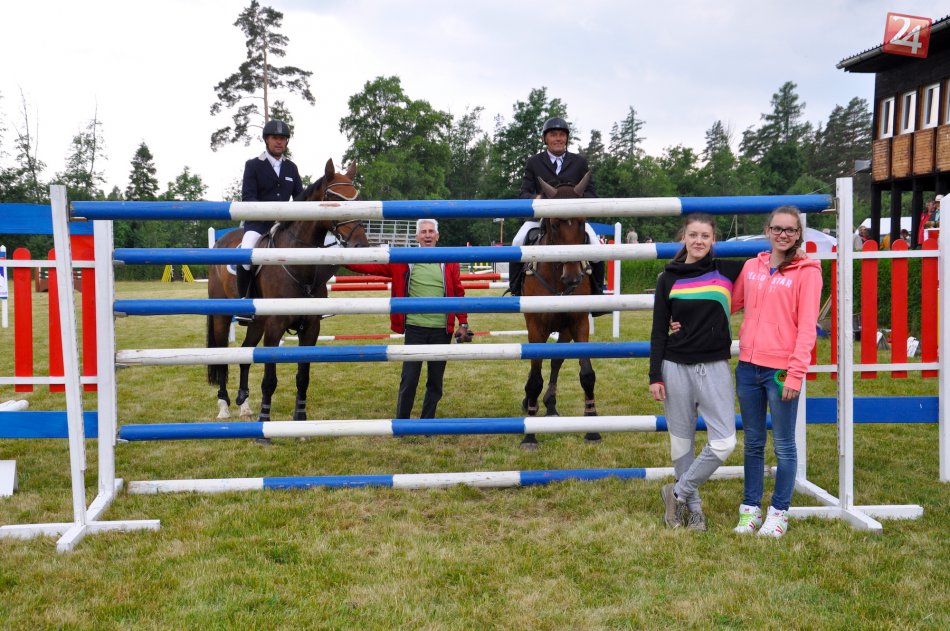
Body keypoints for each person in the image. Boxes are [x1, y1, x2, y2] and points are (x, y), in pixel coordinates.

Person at [731, 206, 822, 538]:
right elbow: (729, 304)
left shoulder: (808, 272)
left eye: (790, 230)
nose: (783, 235)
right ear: (767, 230)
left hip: (781, 371)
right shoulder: (751, 267)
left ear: (798, 235)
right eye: (778, 228)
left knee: (784, 445)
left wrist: (796, 373)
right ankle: (750, 509)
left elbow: (807, 329)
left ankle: (779, 512)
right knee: (753, 442)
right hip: (747, 367)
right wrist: (686, 313)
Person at [650, 213, 744, 532]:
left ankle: (676, 492)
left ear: (713, 239)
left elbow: (768, 264)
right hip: (674, 367)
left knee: (724, 442)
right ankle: (694, 511)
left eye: (705, 236)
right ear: (684, 238)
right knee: (681, 445)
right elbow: (658, 331)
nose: (699, 241)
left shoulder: (727, 270)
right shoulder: (667, 278)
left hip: (714, 366)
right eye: (693, 235)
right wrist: (654, 375)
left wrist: (796, 253)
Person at [346, 219, 473, 419]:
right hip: (415, 328)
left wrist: (463, 323)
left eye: (431, 231)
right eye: (423, 232)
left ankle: (427, 423)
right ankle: (402, 423)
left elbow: (458, 293)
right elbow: (369, 267)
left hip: (442, 330)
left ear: (437, 236)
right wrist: (337, 257)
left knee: (435, 382)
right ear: (417, 237)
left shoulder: (450, 261)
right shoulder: (403, 259)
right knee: (409, 379)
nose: (428, 235)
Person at [508, 117, 605, 299]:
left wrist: (576, 201)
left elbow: (592, 195)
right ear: (545, 139)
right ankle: (515, 290)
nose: (558, 138)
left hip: (573, 221)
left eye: (562, 135)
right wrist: (538, 199)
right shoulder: (533, 162)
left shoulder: (580, 163)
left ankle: (598, 292)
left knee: (597, 247)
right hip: (541, 219)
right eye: (553, 135)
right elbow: (524, 195)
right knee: (517, 242)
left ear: (567, 138)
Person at [236, 119, 303, 308]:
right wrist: (270, 213)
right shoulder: (253, 165)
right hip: (258, 225)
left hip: (284, 226)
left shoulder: (291, 168)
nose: (279, 142)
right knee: (246, 256)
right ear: (266, 139)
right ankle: (244, 303)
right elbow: (248, 197)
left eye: (283, 138)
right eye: (275, 138)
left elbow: (300, 198)